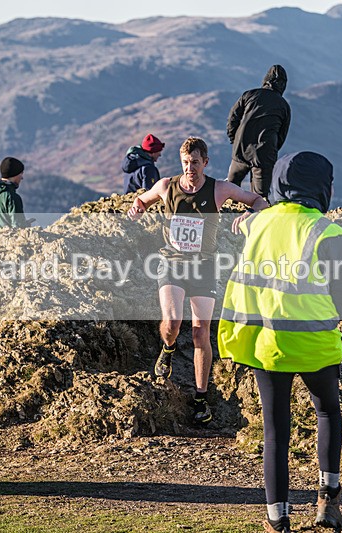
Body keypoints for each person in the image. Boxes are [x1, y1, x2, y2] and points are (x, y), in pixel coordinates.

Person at [218, 151, 342, 533]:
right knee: (327, 410)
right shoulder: (327, 231)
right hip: (316, 345)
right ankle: (328, 503)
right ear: (322, 187)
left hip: (267, 343)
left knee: (275, 430)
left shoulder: (258, 224)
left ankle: (277, 520)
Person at [128, 137, 269, 425]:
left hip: (204, 268)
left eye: (195, 162)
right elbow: (142, 199)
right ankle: (167, 349)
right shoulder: (167, 186)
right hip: (172, 264)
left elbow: (259, 200)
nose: (190, 168)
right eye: (185, 163)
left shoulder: (219, 189)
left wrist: (249, 213)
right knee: (171, 323)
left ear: (205, 162)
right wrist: (137, 208)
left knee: (200, 334)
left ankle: (201, 398)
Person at [226, 65, 291, 199]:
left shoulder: (249, 95)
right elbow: (281, 136)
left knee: (231, 190)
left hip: (241, 150)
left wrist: (235, 140)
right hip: (264, 156)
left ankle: (228, 217)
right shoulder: (283, 105)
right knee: (259, 198)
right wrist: (270, 149)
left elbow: (232, 120)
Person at [0, 157, 35, 231]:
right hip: (9, 239)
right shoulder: (12, 197)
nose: (22, 177)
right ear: (15, 174)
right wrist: (26, 225)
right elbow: (18, 225)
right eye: (21, 174)